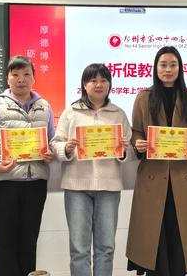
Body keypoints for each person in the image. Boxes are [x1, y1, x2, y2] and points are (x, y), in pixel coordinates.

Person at [126, 46, 187, 276]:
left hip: (182, 176)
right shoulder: (144, 97)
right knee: (153, 237)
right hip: (153, 177)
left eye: (173, 65)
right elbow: (136, 131)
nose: (168, 69)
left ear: (180, 68)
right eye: (163, 65)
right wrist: (138, 143)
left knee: (181, 234)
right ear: (156, 67)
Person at [50, 63, 133, 276]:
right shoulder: (71, 112)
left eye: (103, 80)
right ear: (84, 85)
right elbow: (55, 143)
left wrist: (123, 151)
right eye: (93, 80)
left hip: (109, 187)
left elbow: (129, 152)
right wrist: (66, 148)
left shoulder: (118, 114)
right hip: (76, 187)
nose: (98, 85)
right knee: (79, 249)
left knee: (106, 248)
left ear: (110, 85)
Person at [0, 55, 55, 276]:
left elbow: (53, 140)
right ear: (7, 78)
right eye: (16, 75)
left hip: (36, 184)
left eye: (26, 74)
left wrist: (51, 153)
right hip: (5, 183)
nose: (21, 79)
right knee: (4, 243)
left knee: (29, 242)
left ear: (33, 78)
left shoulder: (44, 106)